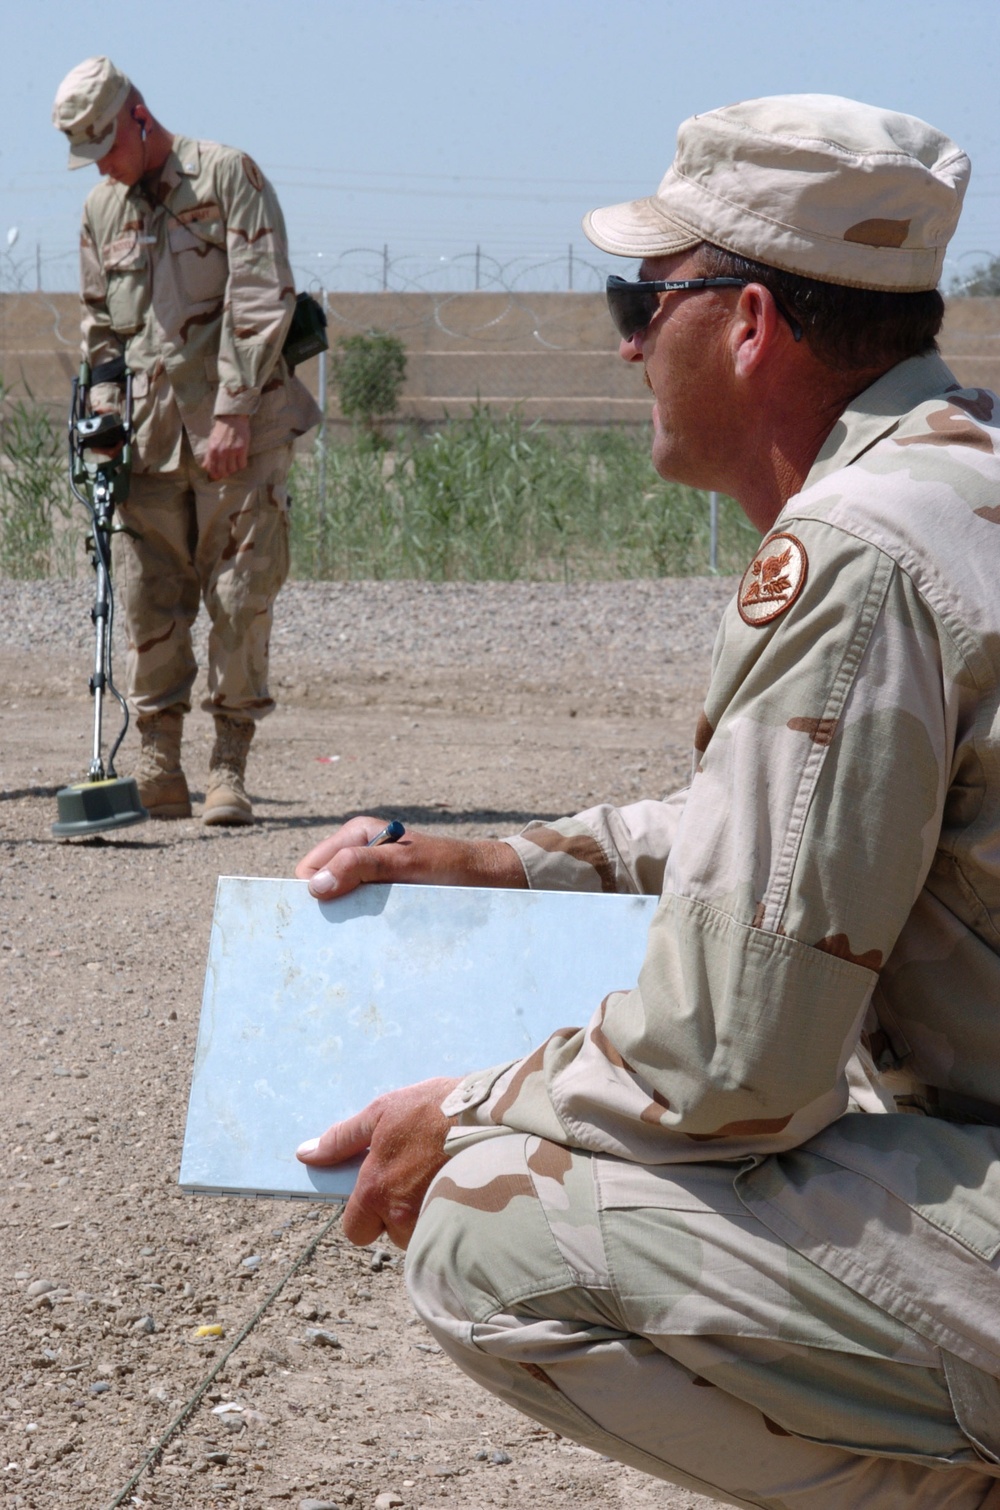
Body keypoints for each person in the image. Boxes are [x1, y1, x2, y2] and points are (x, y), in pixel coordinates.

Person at [293, 95, 1000, 1508]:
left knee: (490, 1231)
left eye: (641, 295)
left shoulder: (856, 555)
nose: (624, 340)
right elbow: (811, 827)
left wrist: (471, 1109)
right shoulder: (956, 479)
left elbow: (731, 1066)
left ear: (746, 325)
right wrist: (507, 858)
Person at [52, 57, 320, 825]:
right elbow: (100, 329)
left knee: (240, 597)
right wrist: (102, 425)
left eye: (107, 145)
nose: (102, 164)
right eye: (90, 154)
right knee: (148, 600)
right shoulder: (102, 211)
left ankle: (228, 768)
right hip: (148, 440)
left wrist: (235, 409)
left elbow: (263, 294)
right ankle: (159, 763)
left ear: (140, 115)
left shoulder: (226, 176)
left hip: (241, 430)